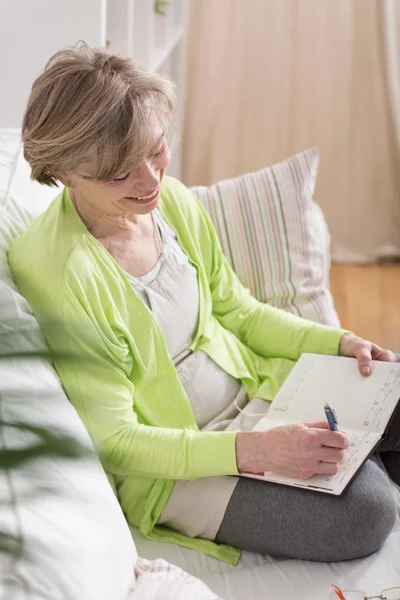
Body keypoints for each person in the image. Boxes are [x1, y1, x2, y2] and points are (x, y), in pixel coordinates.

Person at [9, 43, 399, 565]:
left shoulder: (171, 203)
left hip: (258, 399)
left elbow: (238, 310)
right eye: (119, 173)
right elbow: (118, 439)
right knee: (366, 512)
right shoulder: (61, 273)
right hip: (182, 470)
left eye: (156, 150)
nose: (151, 181)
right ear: (62, 173)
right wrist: (256, 451)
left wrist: (339, 342)